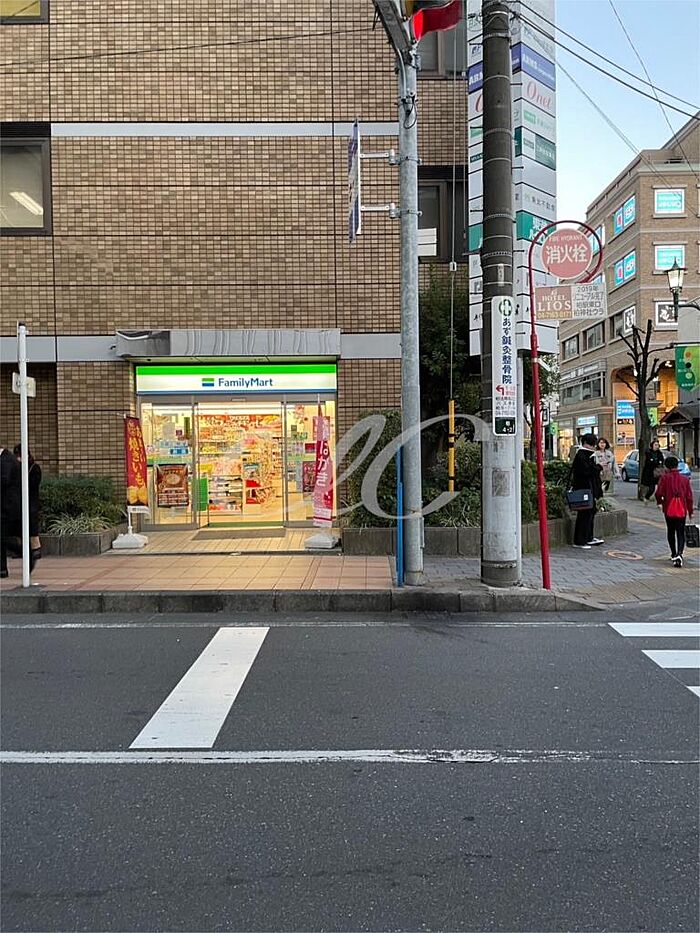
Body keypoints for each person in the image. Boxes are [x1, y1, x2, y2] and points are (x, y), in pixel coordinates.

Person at [655, 455, 694, 568]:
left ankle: (673, 553)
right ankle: (679, 554)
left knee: (671, 531)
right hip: (681, 509)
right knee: (680, 532)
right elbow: (689, 497)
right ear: (677, 465)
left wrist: (660, 502)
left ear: (667, 466)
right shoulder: (685, 480)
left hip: (669, 509)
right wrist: (690, 511)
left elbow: (658, 493)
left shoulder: (664, 478)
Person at [570, 433, 604, 549]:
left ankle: (588, 537)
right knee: (584, 514)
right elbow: (586, 471)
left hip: (588, 489)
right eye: (591, 444)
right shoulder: (582, 455)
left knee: (590, 512)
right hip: (583, 488)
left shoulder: (587, 454)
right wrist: (598, 467)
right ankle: (580, 540)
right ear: (585, 444)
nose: (593, 447)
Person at [14, 444, 42, 564]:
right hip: (19, 501)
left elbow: (33, 484)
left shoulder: (34, 468)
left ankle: (36, 548)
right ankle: (22, 549)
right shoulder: (16, 468)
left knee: (32, 525)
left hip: (31, 501)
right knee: (19, 525)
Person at [0, 445, 22, 579]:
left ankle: (24, 552)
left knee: (2, 538)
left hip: (7, 506)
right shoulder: (6, 458)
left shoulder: (6, 460)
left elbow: (4, 480)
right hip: (6, 505)